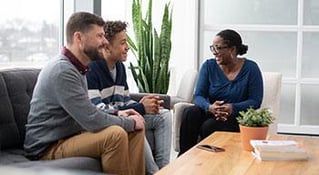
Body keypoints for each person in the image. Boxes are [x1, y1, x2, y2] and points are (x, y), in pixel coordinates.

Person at [24, 12, 145, 175]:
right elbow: (91, 119)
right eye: (100, 36)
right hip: (47, 147)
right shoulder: (63, 71)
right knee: (115, 135)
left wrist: (118, 113)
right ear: (79, 38)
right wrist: (128, 122)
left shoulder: (78, 68)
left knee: (135, 129)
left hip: (69, 135)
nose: (104, 41)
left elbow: (87, 109)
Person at [86, 20, 172, 173]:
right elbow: (98, 109)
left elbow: (124, 100)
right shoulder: (91, 69)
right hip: (107, 122)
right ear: (107, 46)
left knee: (164, 115)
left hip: (122, 116)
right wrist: (140, 107)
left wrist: (147, 104)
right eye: (123, 43)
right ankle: (154, 172)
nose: (127, 48)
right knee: (135, 121)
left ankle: (165, 169)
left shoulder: (120, 67)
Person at [178, 29, 264, 156]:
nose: (214, 53)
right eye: (213, 48)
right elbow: (198, 96)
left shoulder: (251, 68)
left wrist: (232, 108)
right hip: (211, 111)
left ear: (232, 50)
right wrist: (210, 107)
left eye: (218, 48)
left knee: (210, 126)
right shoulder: (208, 66)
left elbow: (255, 101)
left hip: (235, 116)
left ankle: (211, 161)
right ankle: (184, 157)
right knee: (190, 112)